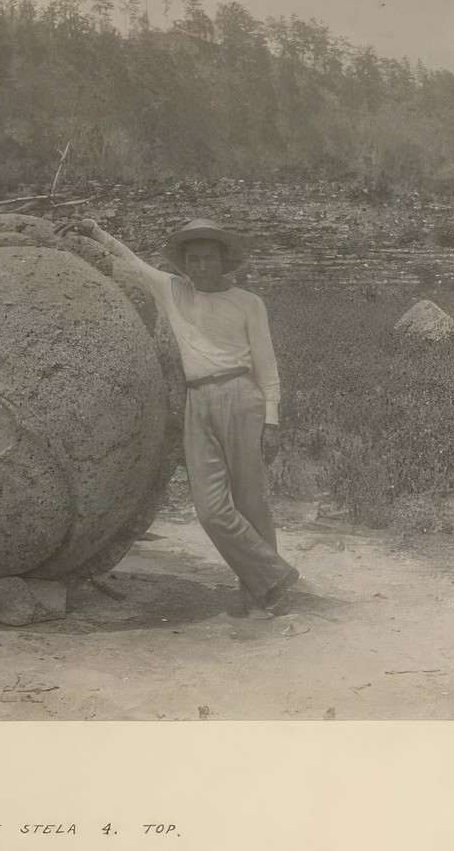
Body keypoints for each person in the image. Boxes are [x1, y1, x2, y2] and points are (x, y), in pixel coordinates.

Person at [59, 217, 299, 613]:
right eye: (193, 260)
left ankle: (257, 591)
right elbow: (133, 263)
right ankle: (273, 575)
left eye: (208, 259)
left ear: (225, 261)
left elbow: (267, 365)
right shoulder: (174, 291)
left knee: (250, 502)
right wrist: (93, 231)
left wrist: (271, 420)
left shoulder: (248, 303)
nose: (200, 267)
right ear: (184, 263)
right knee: (210, 510)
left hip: (242, 397)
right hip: (194, 402)